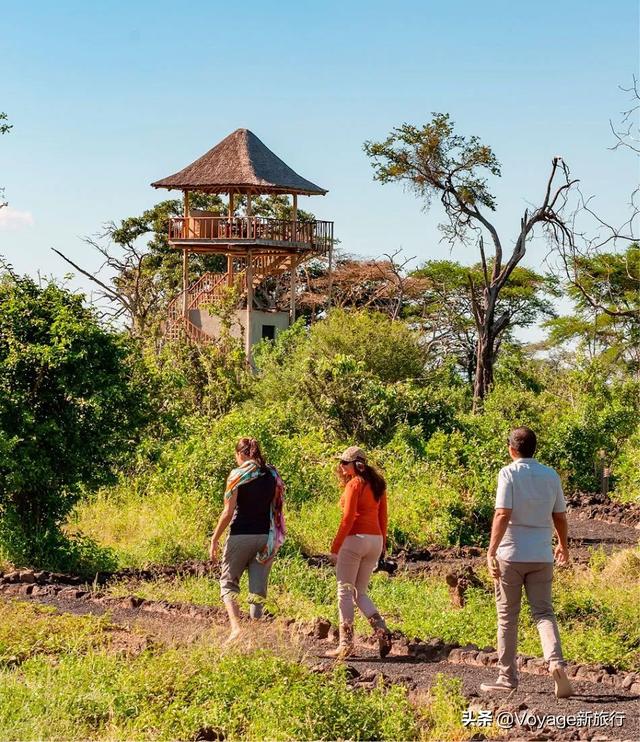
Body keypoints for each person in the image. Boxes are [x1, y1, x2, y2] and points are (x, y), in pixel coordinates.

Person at [481, 427, 573, 698]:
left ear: (511, 449)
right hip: (542, 556)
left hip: (510, 555)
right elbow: (561, 516)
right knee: (544, 613)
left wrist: (491, 551)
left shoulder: (508, 473)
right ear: (535, 449)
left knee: (507, 617)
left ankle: (507, 677)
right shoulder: (551, 475)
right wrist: (563, 545)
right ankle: (555, 663)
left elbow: (502, 513)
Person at [209, 437, 285, 642]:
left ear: (241, 454)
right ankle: (255, 637)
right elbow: (277, 505)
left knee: (228, 583)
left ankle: (236, 629)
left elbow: (228, 511)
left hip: (240, 535)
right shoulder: (272, 474)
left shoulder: (237, 475)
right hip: (266, 537)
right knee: (257, 590)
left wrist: (214, 538)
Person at [328, 446, 392, 659]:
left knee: (344, 591)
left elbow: (348, 519)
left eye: (344, 463)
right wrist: (383, 543)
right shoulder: (378, 485)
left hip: (355, 540)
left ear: (355, 465)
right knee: (359, 592)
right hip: (375, 540)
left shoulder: (354, 484)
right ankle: (381, 629)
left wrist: (335, 547)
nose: (341, 467)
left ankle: (345, 644)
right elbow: (383, 517)